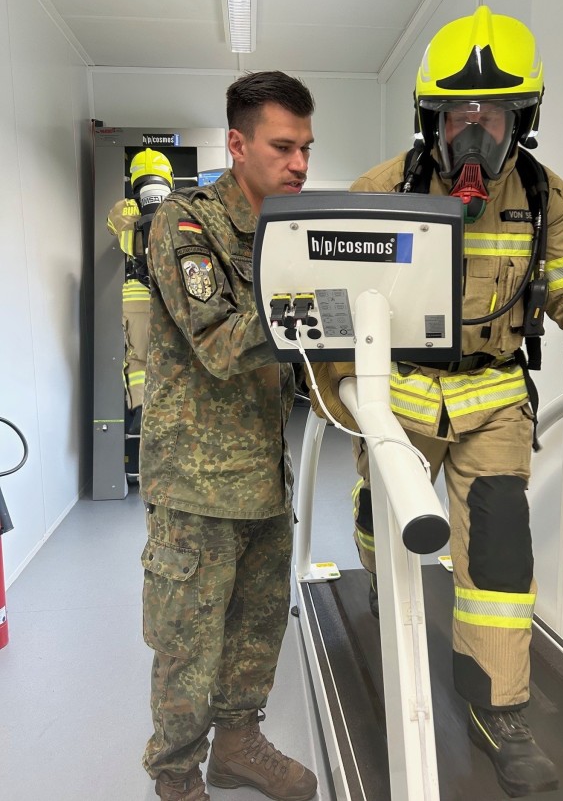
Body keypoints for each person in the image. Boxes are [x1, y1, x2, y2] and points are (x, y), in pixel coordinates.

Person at [308, 6, 563, 799]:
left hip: (492, 401)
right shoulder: (381, 189)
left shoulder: (545, 196)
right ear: (431, 116)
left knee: (497, 549)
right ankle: (373, 556)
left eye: (491, 115)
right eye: (458, 114)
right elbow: (336, 300)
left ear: (522, 118)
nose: (473, 133)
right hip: (401, 397)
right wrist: (342, 393)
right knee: (385, 517)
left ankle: (498, 710)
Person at [138, 71, 317, 801]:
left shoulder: (289, 231)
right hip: (196, 484)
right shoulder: (186, 223)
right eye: (283, 147)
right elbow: (217, 339)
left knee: (257, 628)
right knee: (188, 642)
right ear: (237, 145)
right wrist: (328, 311)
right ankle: (178, 774)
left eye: (306, 148)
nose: (299, 163)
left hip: (264, 475)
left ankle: (238, 745)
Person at [107, 149, 174, 436]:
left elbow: (112, 228)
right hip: (173, 293)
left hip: (136, 294)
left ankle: (141, 410)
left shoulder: (122, 208)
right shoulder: (180, 204)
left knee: (137, 358)